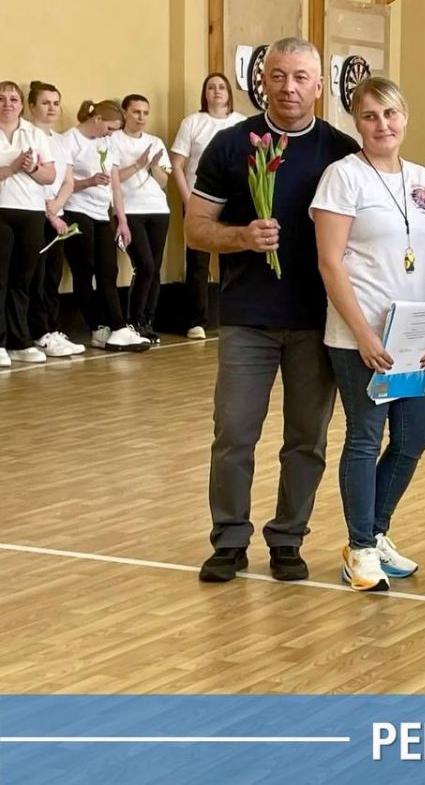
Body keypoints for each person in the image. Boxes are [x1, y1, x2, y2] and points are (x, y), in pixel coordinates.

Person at [186, 37, 359, 583]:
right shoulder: (229, 145)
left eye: (301, 77)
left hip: (318, 321)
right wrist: (241, 236)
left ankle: (288, 538)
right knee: (234, 433)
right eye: (278, 76)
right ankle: (229, 539)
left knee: (307, 439)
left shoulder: (343, 151)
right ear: (262, 81)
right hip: (247, 318)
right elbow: (195, 228)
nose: (289, 88)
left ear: (319, 85)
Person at [312, 76, 425, 592]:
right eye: (370, 116)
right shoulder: (343, 177)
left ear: (405, 117)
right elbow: (330, 263)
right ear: (357, 123)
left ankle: (378, 531)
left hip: (414, 338)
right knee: (366, 439)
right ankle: (360, 546)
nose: (382, 125)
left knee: (413, 439)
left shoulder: (423, 177)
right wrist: (364, 334)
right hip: (361, 337)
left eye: (390, 114)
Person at [62, 98, 148, 351]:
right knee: (84, 269)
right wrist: (88, 182)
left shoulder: (107, 143)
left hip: (101, 214)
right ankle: (96, 326)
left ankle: (118, 326)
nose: (110, 134)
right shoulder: (70, 139)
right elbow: (63, 183)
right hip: (76, 209)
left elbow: (115, 185)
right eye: (109, 128)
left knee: (108, 270)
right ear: (97, 119)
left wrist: (122, 219)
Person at [170, 73, 245, 339]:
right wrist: (188, 200)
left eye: (222, 87)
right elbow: (177, 165)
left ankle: (232, 316)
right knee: (198, 262)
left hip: (232, 203)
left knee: (232, 260)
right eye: (211, 87)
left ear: (229, 93)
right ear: (205, 93)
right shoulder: (192, 122)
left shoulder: (241, 123)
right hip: (199, 200)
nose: (217, 91)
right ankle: (196, 321)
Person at [26, 81, 85, 357]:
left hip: (58, 215)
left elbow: (68, 180)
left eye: (56, 103)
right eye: (45, 103)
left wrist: (58, 206)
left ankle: (51, 328)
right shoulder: (27, 137)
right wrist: (49, 214)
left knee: (53, 276)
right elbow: (29, 180)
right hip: (35, 215)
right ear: (32, 107)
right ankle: (37, 332)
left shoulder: (61, 141)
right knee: (35, 277)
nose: (51, 108)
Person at [0, 80, 56, 366]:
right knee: (0, 278)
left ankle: (19, 341)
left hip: (31, 212)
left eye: (13, 99)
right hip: (2, 211)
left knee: (23, 279)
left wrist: (32, 167)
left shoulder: (35, 134)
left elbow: (50, 176)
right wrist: (11, 168)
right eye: (1, 98)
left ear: (22, 105)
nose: (7, 104)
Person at [110, 93, 171, 342]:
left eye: (145, 113)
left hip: (157, 209)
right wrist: (138, 164)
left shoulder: (155, 141)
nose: (141, 117)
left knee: (154, 269)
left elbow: (164, 182)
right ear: (125, 113)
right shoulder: (114, 140)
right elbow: (113, 178)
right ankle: (133, 321)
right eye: (136, 112)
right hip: (129, 210)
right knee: (144, 266)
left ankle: (146, 322)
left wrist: (153, 166)